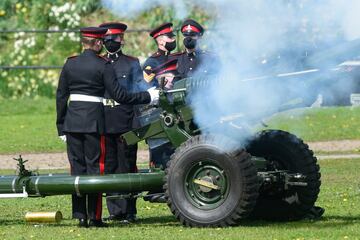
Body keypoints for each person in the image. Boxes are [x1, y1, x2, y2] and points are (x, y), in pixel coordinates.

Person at [56, 26, 159, 228]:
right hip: (95, 123)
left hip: (72, 123)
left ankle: (80, 216)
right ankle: (94, 217)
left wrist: (61, 126)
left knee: (77, 169)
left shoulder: (70, 64)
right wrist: (147, 96)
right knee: (95, 169)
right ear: (97, 43)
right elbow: (120, 96)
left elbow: (61, 97)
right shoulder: (104, 65)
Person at [98, 22, 143, 223]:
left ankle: (129, 210)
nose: (110, 42)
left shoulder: (131, 63)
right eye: (107, 39)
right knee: (109, 166)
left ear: (121, 39)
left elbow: (137, 93)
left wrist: (136, 121)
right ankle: (115, 210)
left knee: (127, 165)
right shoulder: (100, 63)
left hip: (125, 120)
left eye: (114, 39)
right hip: (106, 120)